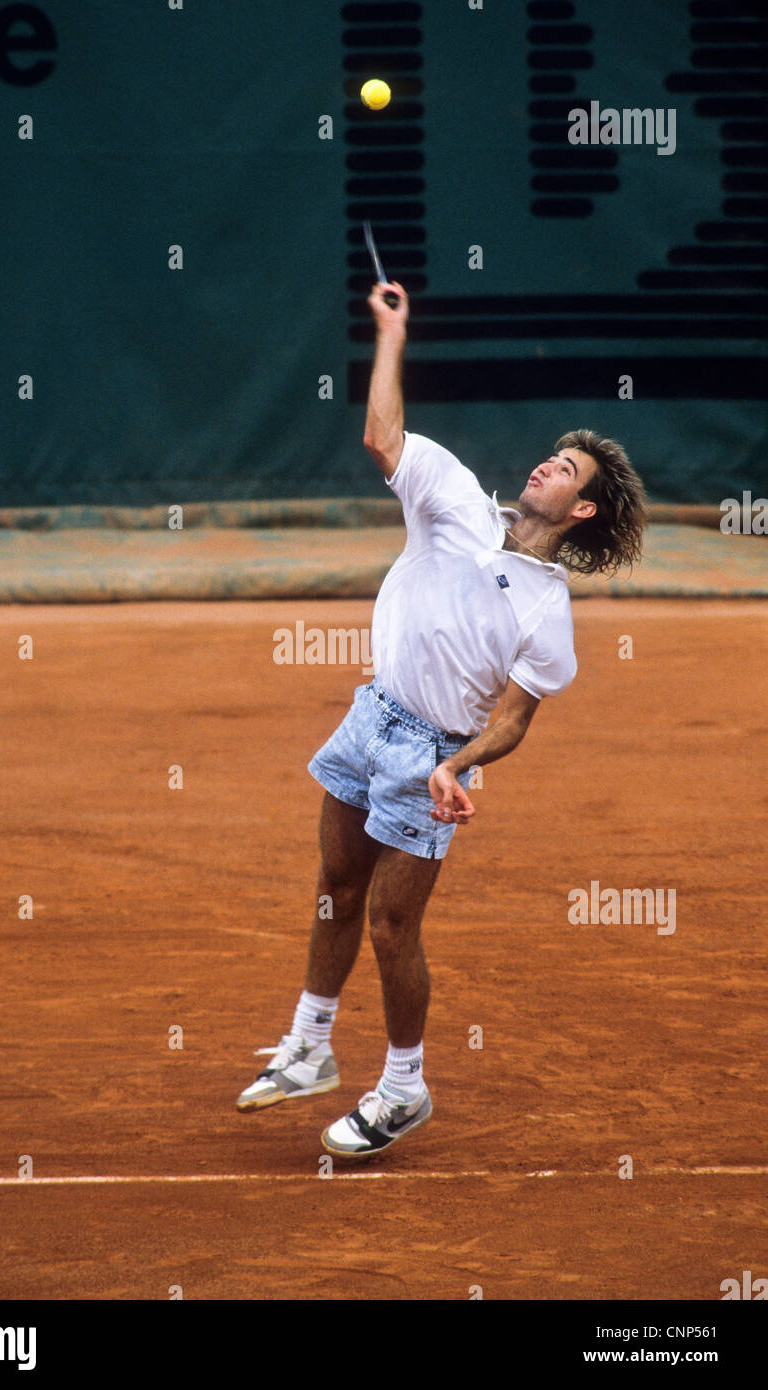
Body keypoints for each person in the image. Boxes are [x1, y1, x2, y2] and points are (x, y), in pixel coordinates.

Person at [237, 278, 647, 1159]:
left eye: (565, 470)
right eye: (551, 455)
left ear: (579, 512)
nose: (545, 465)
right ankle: (309, 1046)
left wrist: (458, 766)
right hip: (368, 718)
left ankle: (403, 1088)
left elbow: (512, 721)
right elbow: (380, 436)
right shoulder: (456, 501)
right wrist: (392, 332)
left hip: (430, 757)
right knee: (334, 887)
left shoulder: (545, 611)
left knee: (390, 926)